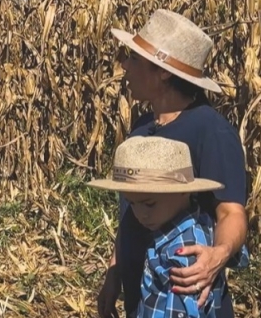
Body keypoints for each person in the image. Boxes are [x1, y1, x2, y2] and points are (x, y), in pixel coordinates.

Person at [97, 9, 248, 318]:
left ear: (163, 72)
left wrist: (216, 256)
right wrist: (115, 271)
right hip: (144, 300)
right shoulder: (142, 125)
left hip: (184, 301)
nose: (124, 66)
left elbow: (231, 212)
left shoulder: (211, 131)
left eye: (135, 59)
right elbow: (131, 207)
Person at [88, 135, 248, 318]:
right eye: (131, 203)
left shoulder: (183, 252)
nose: (140, 214)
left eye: (149, 204)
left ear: (183, 192)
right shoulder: (190, 226)